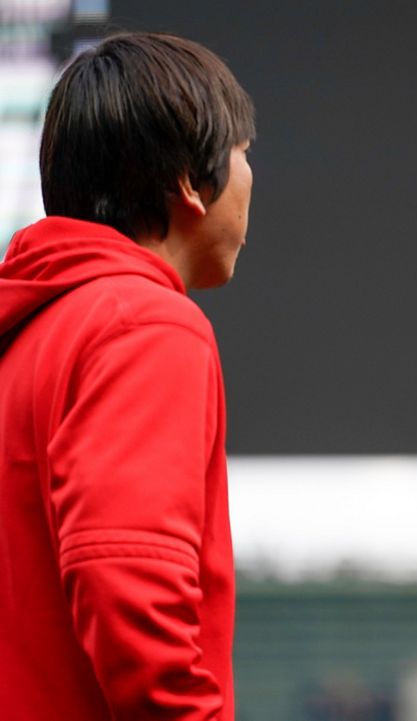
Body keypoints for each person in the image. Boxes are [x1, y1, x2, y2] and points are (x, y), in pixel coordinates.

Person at [0, 33, 254, 720]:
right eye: (243, 152)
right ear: (188, 186)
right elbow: (128, 587)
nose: (251, 175)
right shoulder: (144, 324)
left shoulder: (28, 330)